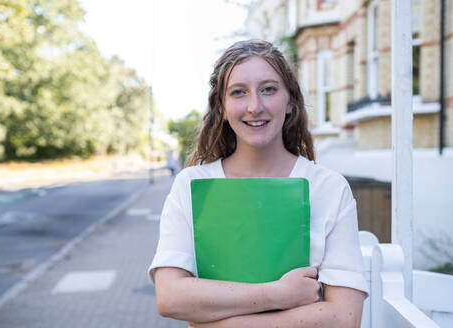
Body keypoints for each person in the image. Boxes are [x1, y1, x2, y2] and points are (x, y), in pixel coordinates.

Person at [148, 39, 368, 327]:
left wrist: (213, 321)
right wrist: (277, 294)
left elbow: (344, 317)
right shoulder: (190, 185)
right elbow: (170, 296)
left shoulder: (328, 188)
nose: (254, 106)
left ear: (290, 102)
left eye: (268, 89)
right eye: (239, 92)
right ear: (222, 108)